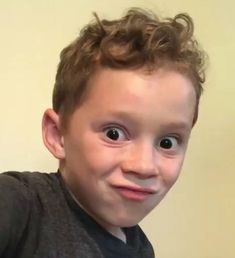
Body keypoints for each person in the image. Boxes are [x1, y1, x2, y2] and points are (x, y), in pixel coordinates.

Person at [0, 7, 206, 258]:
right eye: (114, 134)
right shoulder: (20, 204)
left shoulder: (141, 250)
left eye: (166, 142)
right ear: (57, 134)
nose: (144, 166)